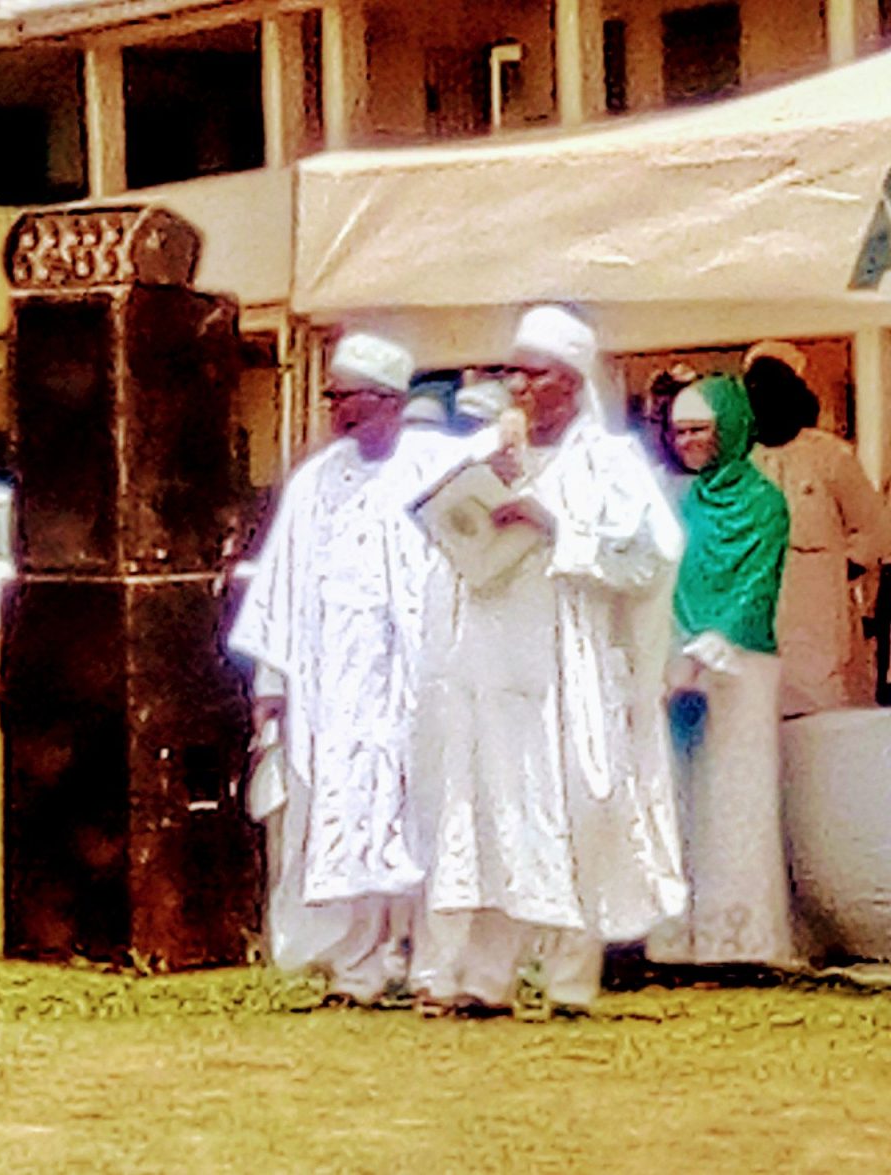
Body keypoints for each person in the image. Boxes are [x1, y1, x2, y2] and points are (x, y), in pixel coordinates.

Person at [409, 305, 687, 1017]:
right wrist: (482, 484)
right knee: (487, 815)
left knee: (575, 811)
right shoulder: (486, 449)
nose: (518, 387)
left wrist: (555, 525)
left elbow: (650, 556)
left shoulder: (609, 462)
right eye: (512, 373)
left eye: (533, 374)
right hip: (488, 666)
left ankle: (569, 980)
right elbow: (439, 535)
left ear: (569, 381)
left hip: (567, 666)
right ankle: (483, 979)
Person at [229, 331, 453, 1008]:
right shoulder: (315, 482)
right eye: (332, 398)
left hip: (419, 677)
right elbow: (281, 589)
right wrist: (272, 684)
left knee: (420, 813)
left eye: (347, 397)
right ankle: (357, 966)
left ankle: (427, 962)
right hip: (335, 684)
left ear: (388, 401)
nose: (338, 411)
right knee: (344, 814)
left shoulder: (438, 466)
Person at [646, 376, 795, 969]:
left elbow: (754, 590)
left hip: (739, 668)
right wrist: (671, 653)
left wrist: (705, 652)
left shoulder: (765, 503)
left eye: (699, 430)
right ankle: (677, 939)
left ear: (729, 429)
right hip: (676, 664)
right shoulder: (680, 501)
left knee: (736, 800)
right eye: (678, 432)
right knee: (679, 799)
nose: (686, 443)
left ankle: (738, 942)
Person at [745, 345, 891, 714]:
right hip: (759, 604)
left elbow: (873, 529)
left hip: (821, 605)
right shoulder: (742, 462)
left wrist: (833, 571)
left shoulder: (831, 456)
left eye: (772, 387)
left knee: (828, 708)